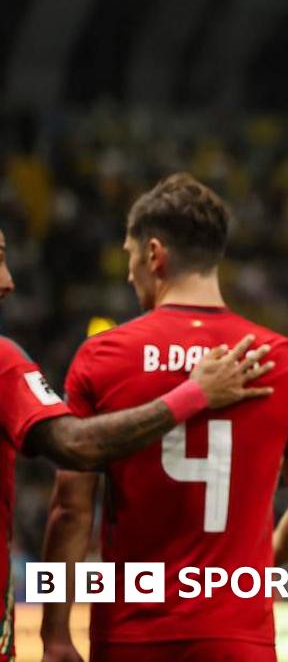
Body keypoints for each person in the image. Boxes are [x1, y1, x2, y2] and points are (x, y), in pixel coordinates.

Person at [39, 173, 288, 662]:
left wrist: (54, 634)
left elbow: (71, 510)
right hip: (237, 635)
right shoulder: (286, 360)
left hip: (132, 634)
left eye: (129, 256)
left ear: (154, 255)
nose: (127, 271)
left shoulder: (104, 356)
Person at [0, 228, 272, 662]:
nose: (9, 280)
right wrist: (193, 394)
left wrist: (54, 631)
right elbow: (74, 444)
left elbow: (71, 506)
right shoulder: (2, 359)